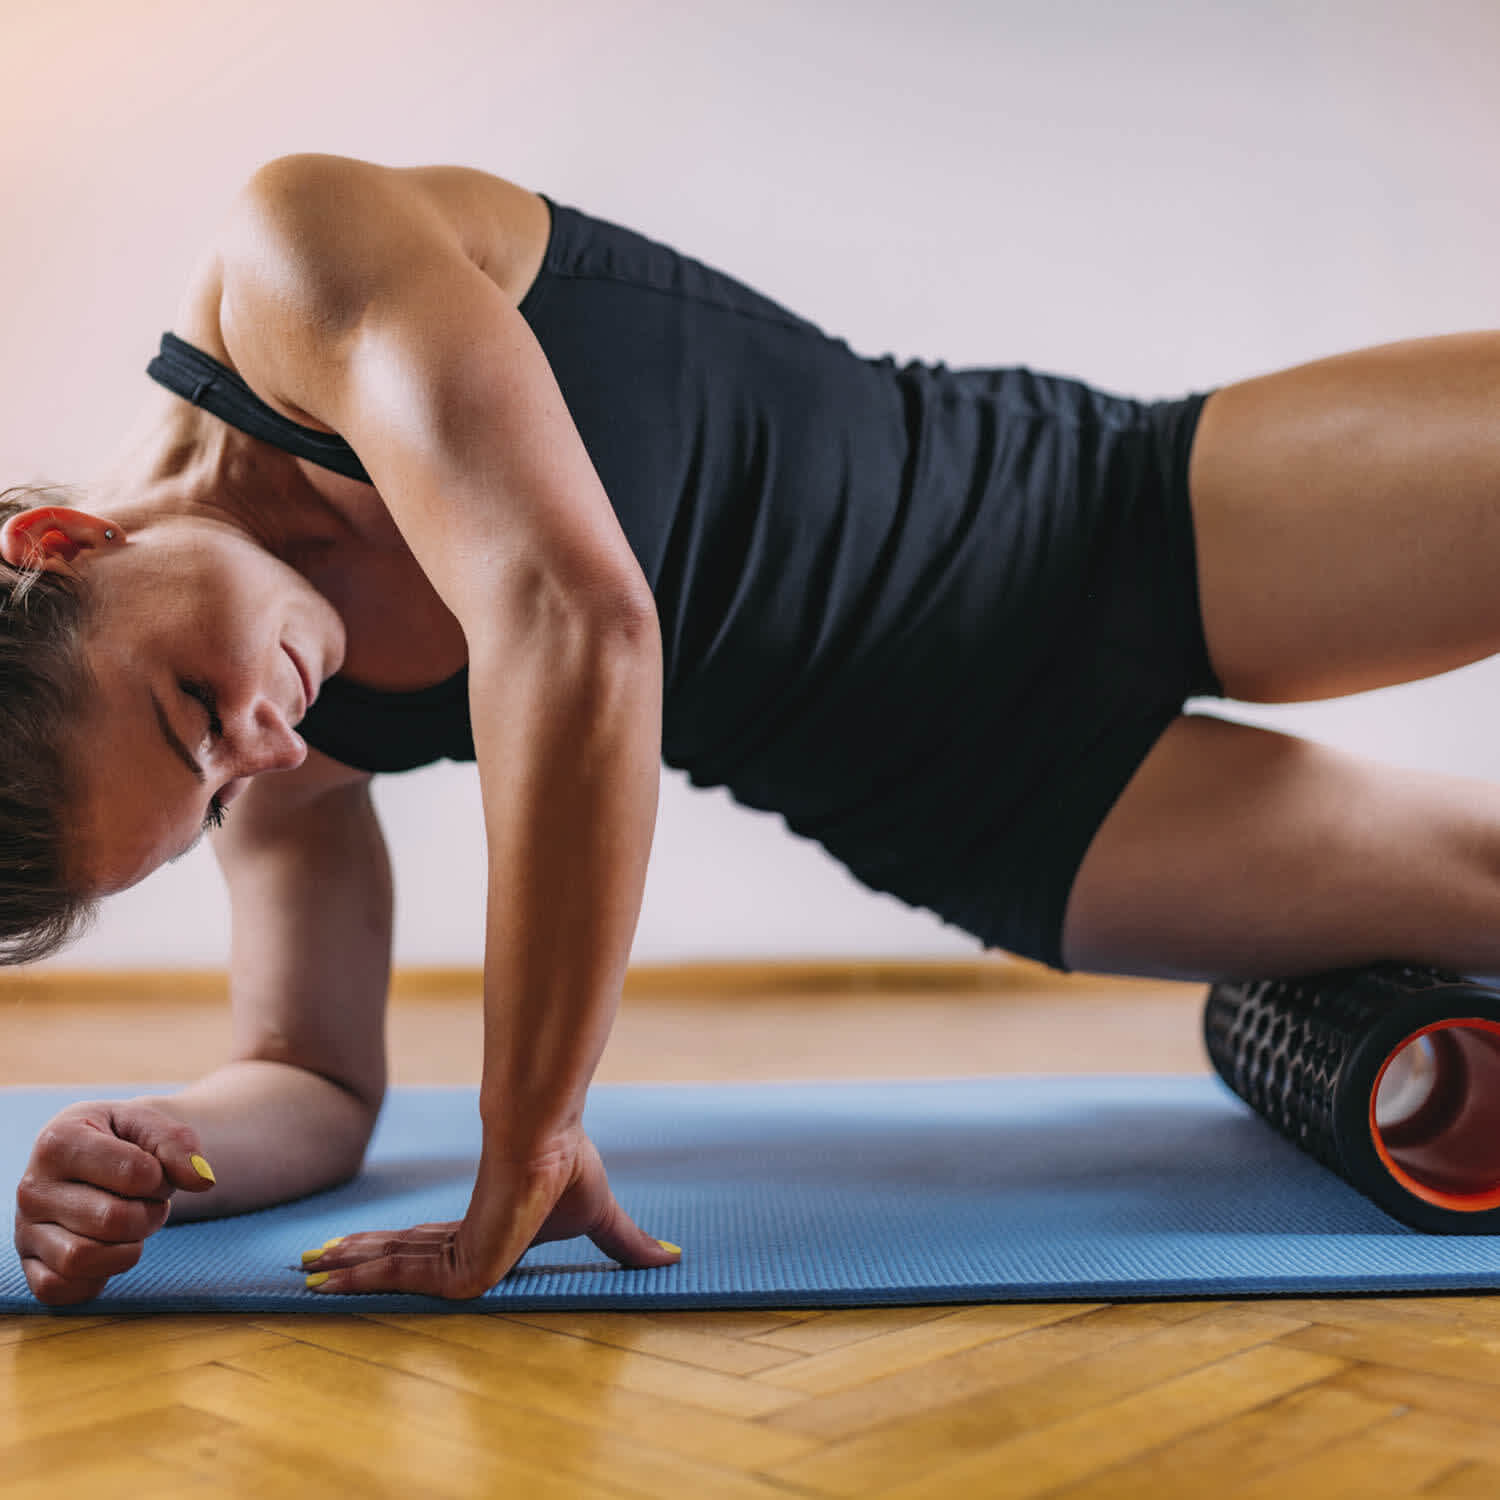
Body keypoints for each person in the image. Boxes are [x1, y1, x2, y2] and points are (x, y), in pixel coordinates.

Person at [7, 152, 1500, 1305]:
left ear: (66, 542)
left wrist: (530, 1127)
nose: (265, 756)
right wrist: (158, 1149)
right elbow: (315, 1083)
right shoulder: (289, 752)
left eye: (194, 711)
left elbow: (578, 619)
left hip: (1094, 528)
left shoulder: (296, 255)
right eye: (209, 799)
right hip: (988, 814)